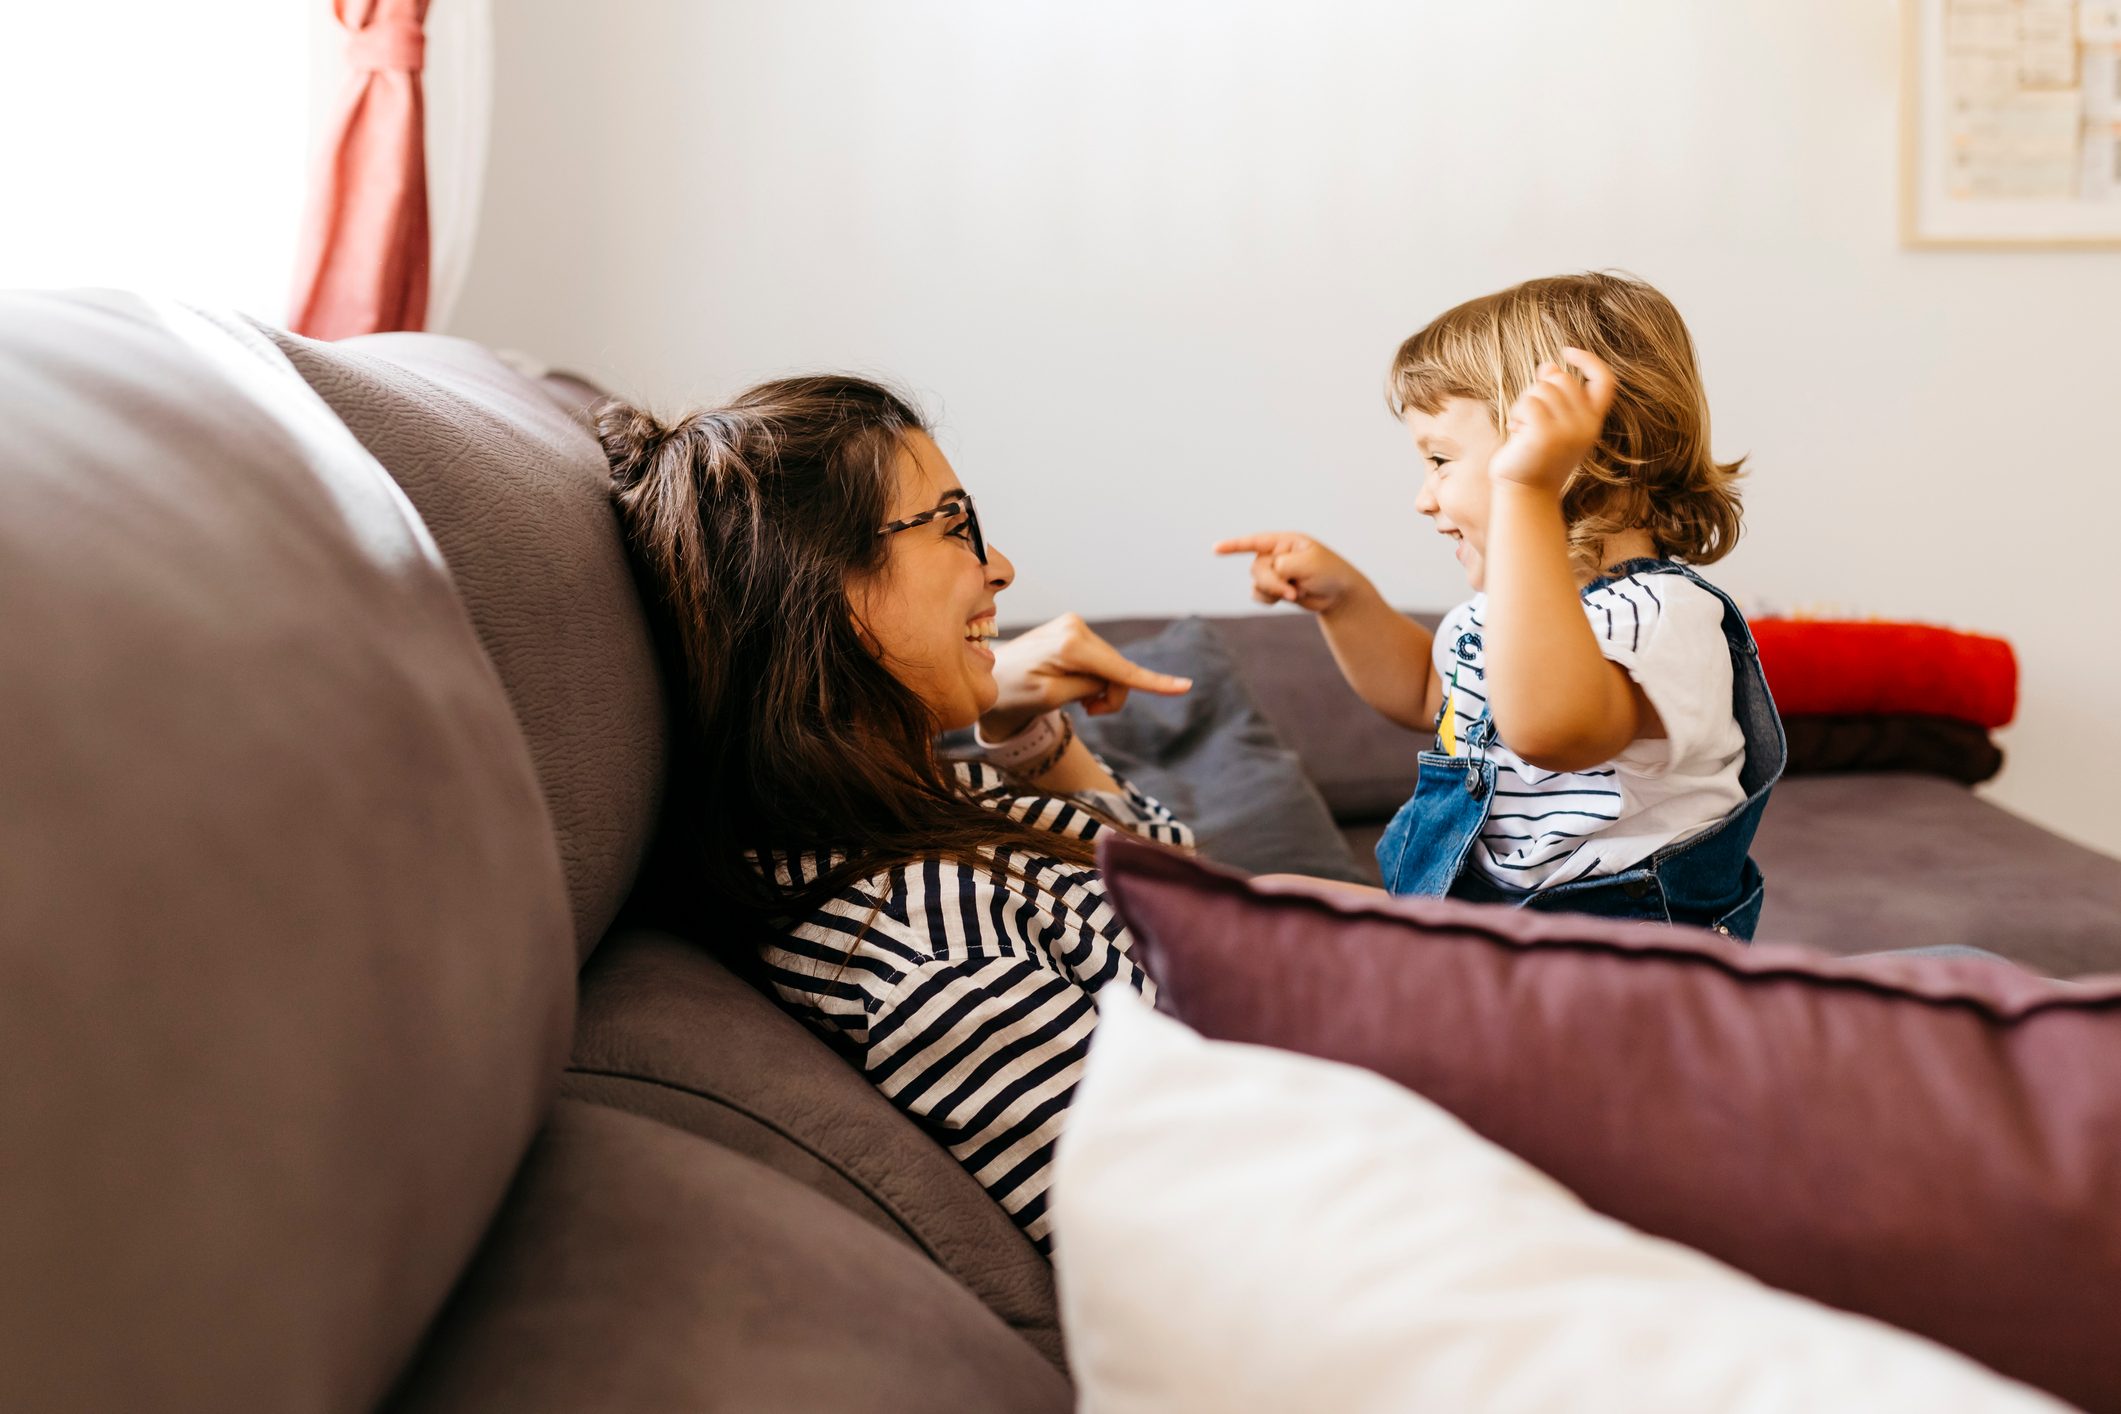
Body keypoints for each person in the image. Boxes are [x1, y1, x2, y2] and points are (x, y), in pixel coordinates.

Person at [599, 375, 1194, 1253]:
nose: (999, 567)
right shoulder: (935, 956)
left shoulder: (903, 802)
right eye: (955, 526)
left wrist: (1023, 728)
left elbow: (1181, 896)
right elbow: (1198, 1234)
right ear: (821, 581)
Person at [1219, 271, 1784, 937]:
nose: (1422, 498)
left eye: (1439, 460)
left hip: (1619, 953)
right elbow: (1428, 694)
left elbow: (1551, 730)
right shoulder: (1497, 613)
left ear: (1577, 455)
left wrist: (1525, 493)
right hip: (1487, 922)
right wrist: (1345, 601)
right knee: (1269, 901)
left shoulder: (1658, 617)